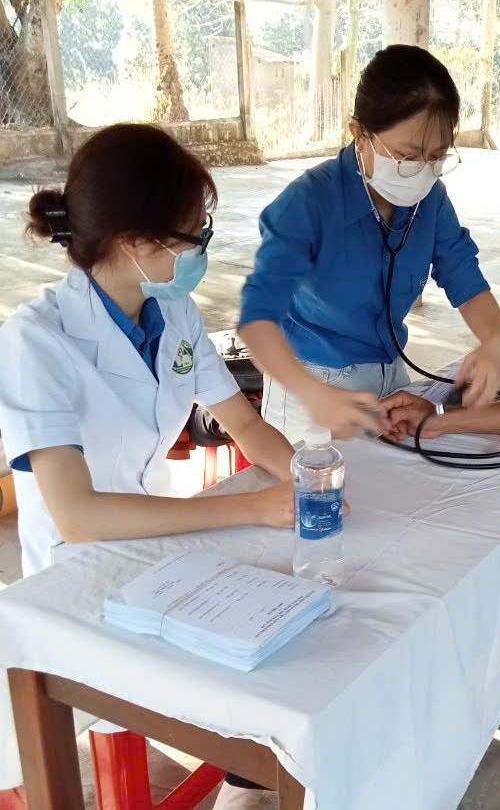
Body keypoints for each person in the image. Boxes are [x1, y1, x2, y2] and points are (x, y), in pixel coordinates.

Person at [0, 124, 295, 580]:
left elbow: (244, 423)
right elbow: (78, 515)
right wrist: (253, 506)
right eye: (195, 236)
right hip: (75, 567)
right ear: (134, 241)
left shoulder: (175, 311)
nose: (201, 249)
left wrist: (307, 479)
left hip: (155, 541)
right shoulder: (34, 341)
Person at [239, 45, 500, 443]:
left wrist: (494, 340)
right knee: (322, 499)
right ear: (360, 133)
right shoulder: (309, 202)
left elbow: (464, 277)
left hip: (391, 383)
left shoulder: (431, 200)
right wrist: (315, 394)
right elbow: (256, 322)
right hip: (312, 389)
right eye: (407, 155)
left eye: (436, 157)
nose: (422, 171)